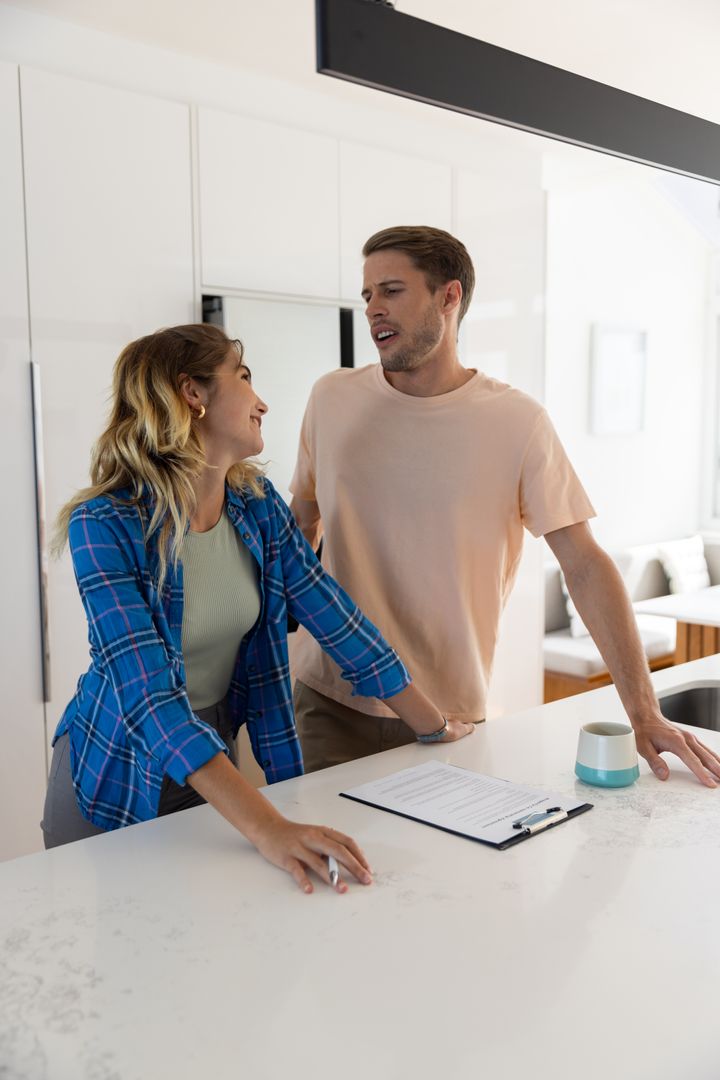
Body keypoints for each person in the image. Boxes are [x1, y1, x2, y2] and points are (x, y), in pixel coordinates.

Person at [42, 323, 474, 893]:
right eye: (244, 377)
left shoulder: (257, 505)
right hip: (115, 770)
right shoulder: (104, 524)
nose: (261, 401)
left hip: (212, 765)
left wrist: (434, 727)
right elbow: (150, 697)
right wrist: (270, 828)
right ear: (192, 394)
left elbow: (336, 618)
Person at [290, 224, 720, 788]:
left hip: (451, 716)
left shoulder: (517, 422)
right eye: (367, 294)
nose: (373, 308)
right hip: (330, 702)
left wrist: (644, 712)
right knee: (327, 849)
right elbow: (299, 529)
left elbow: (584, 564)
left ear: (449, 296)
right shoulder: (331, 398)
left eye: (391, 290)